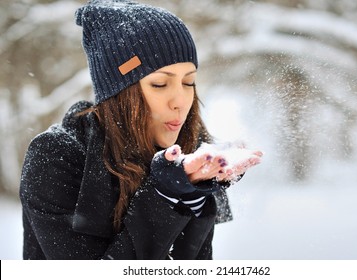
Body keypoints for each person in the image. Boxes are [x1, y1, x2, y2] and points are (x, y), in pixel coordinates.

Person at [19, 0, 262, 260]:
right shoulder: (57, 157)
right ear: (119, 91)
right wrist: (164, 195)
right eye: (159, 84)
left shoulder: (187, 149)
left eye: (188, 82)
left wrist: (191, 194)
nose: (180, 101)